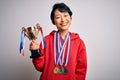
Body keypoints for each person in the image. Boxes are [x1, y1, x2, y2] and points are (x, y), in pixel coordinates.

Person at [29, 2, 87, 80]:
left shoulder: (79, 43)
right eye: (58, 17)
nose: (63, 20)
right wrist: (35, 52)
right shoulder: (46, 40)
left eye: (66, 15)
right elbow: (40, 67)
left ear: (70, 18)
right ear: (53, 21)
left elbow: (81, 70)